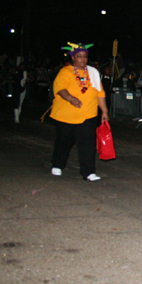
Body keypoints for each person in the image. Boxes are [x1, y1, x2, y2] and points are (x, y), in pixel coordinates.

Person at [50, 43, 109, 181]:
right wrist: (71, 99)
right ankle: (58, 165)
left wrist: (104, 111)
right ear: (73, 58)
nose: (82, 59)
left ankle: (88, 172)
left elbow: (100, 93)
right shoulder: (66, 71)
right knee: (64, 141)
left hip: (88, 115)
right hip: (66, 116)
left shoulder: (93, 72)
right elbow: (60, 88)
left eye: (85, 56)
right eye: (79, 56)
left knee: (88, 144)